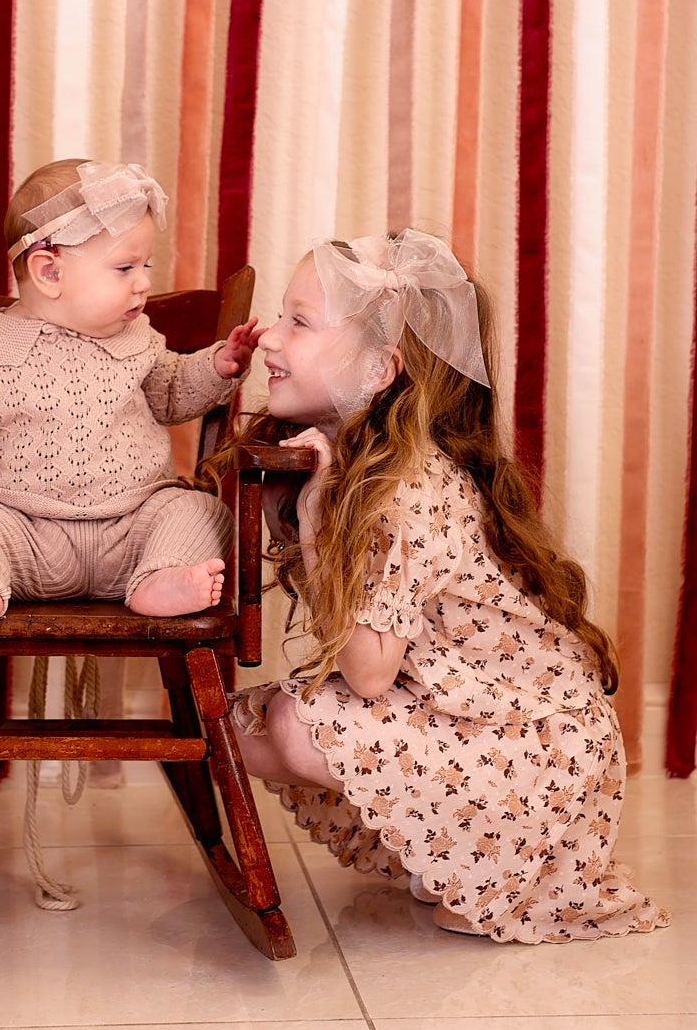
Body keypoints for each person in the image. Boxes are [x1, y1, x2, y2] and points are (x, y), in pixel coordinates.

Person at [230, 230, 668, 944]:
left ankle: (498, 858)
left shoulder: (405, 490)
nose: (270, 338)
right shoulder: (364, 464)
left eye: (299, 322)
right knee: (242, 728)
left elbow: (368, 675)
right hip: (475, 716)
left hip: (532, 743)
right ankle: (465, 856)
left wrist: (313, 514)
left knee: (291, 724)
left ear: (379, 369)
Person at [0, 158, 261, 620]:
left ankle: (162, 577)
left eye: (145, 265)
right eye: (125, 267)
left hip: (134, 527)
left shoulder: (138, 337)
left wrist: (217, 367)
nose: (144, 282)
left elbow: (172, 392)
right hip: (22, 532)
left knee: (201, 509)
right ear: (49, 273)